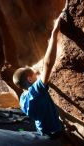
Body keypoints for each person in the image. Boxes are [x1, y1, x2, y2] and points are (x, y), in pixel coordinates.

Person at [12, 12, 63, 143]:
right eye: (35, 73)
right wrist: (54, 33)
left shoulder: (24, 97)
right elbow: (47, 64)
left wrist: (36, 74)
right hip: (53, 131)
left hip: (41, 128)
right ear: (29, 79)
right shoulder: (36, 91)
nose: (37, 72)